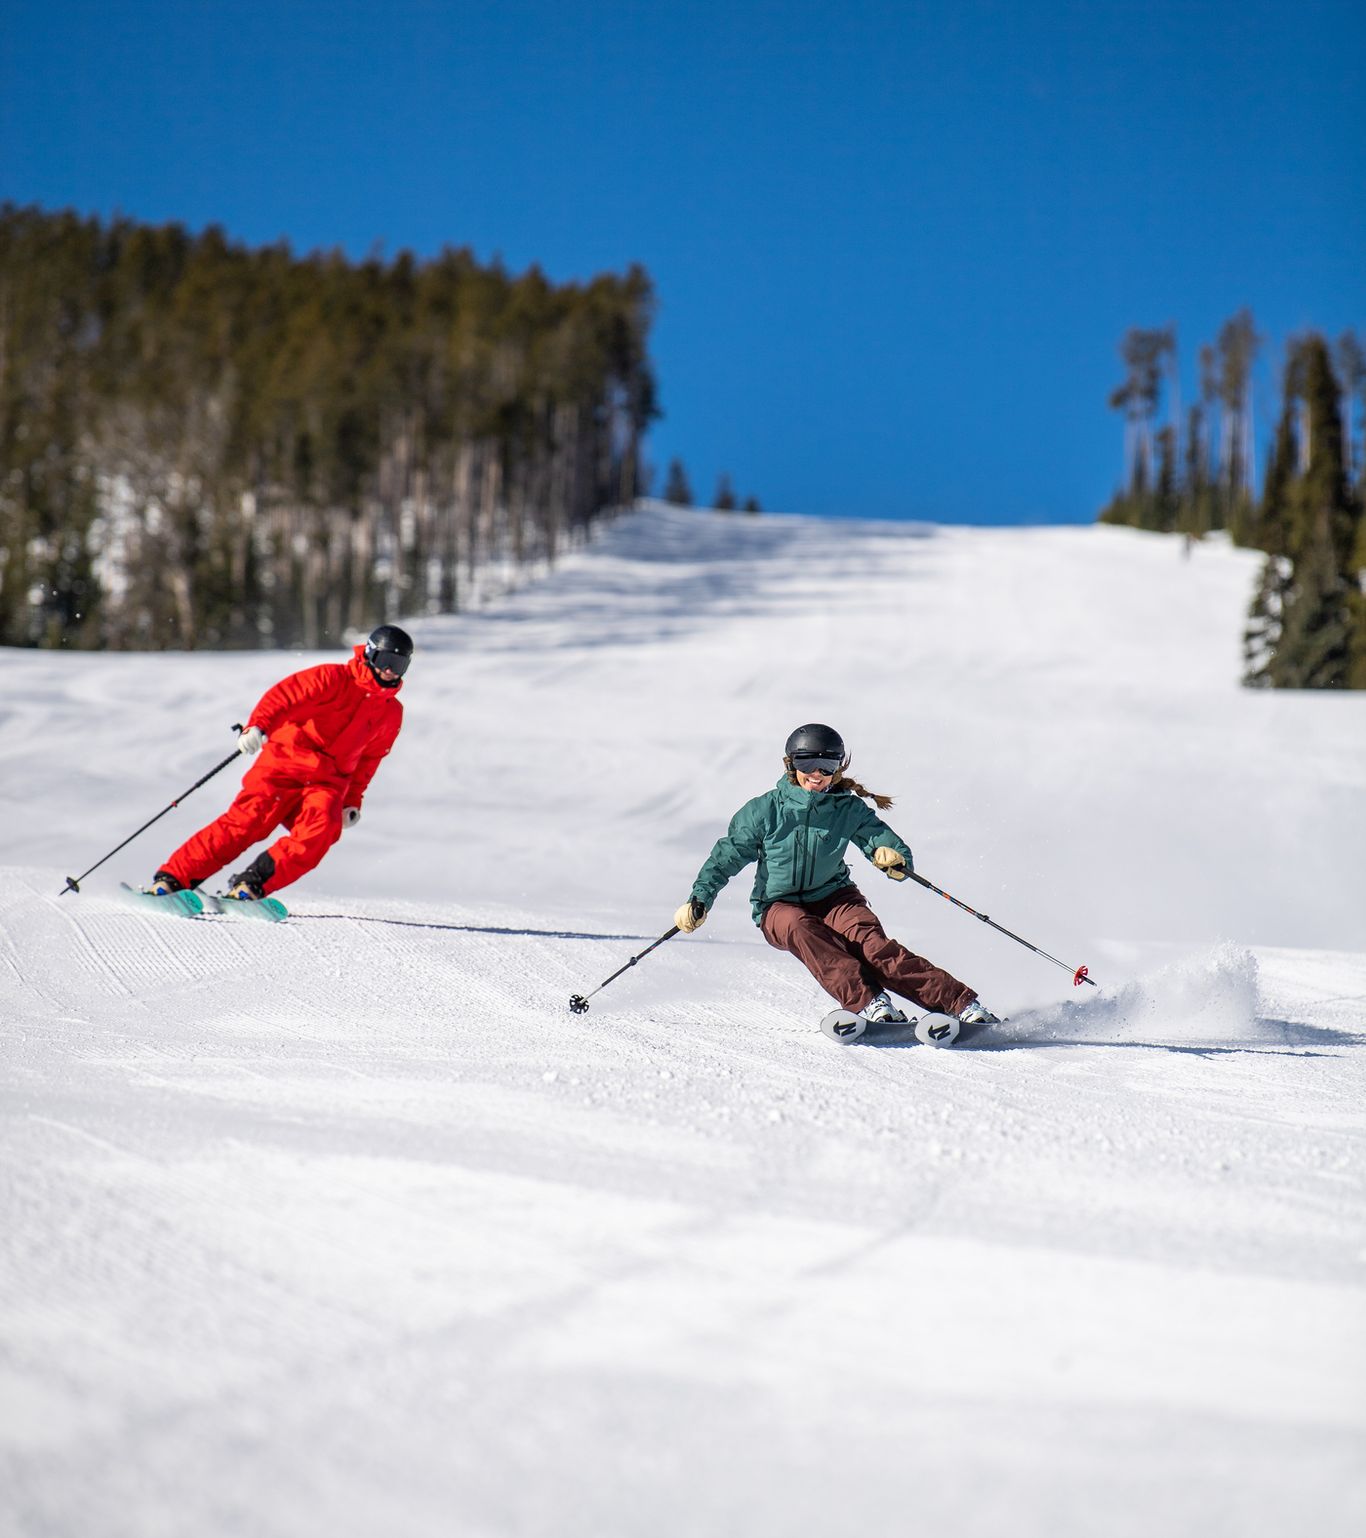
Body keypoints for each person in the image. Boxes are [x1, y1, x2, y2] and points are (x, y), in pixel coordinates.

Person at [673, 723, 999, 1027]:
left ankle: (961, 1005)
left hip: (835, 897)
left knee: (875, 949)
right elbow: (725, 857)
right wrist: (699, 899)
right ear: (791, 765)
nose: (816, 774)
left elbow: (881, 839)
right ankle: (869, 1003)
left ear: (838, 768)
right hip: (778, 905)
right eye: (806, 763)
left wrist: (892, 856)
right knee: (801, 927)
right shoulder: (764, 811)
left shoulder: (847, 808)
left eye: (827, 766)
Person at [149, 624, 413, 901]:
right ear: (371, 655)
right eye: (386, 661)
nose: (391, 671)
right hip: (284, 765)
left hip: (326, 783)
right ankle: (173, 878)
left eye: (400, 665)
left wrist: (352, 801)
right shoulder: (332, 678)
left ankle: (251, 885)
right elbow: (284, 696)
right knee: (247, 822)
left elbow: (369, 761)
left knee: (322, 830)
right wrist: (257, 726)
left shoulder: (391, 713)